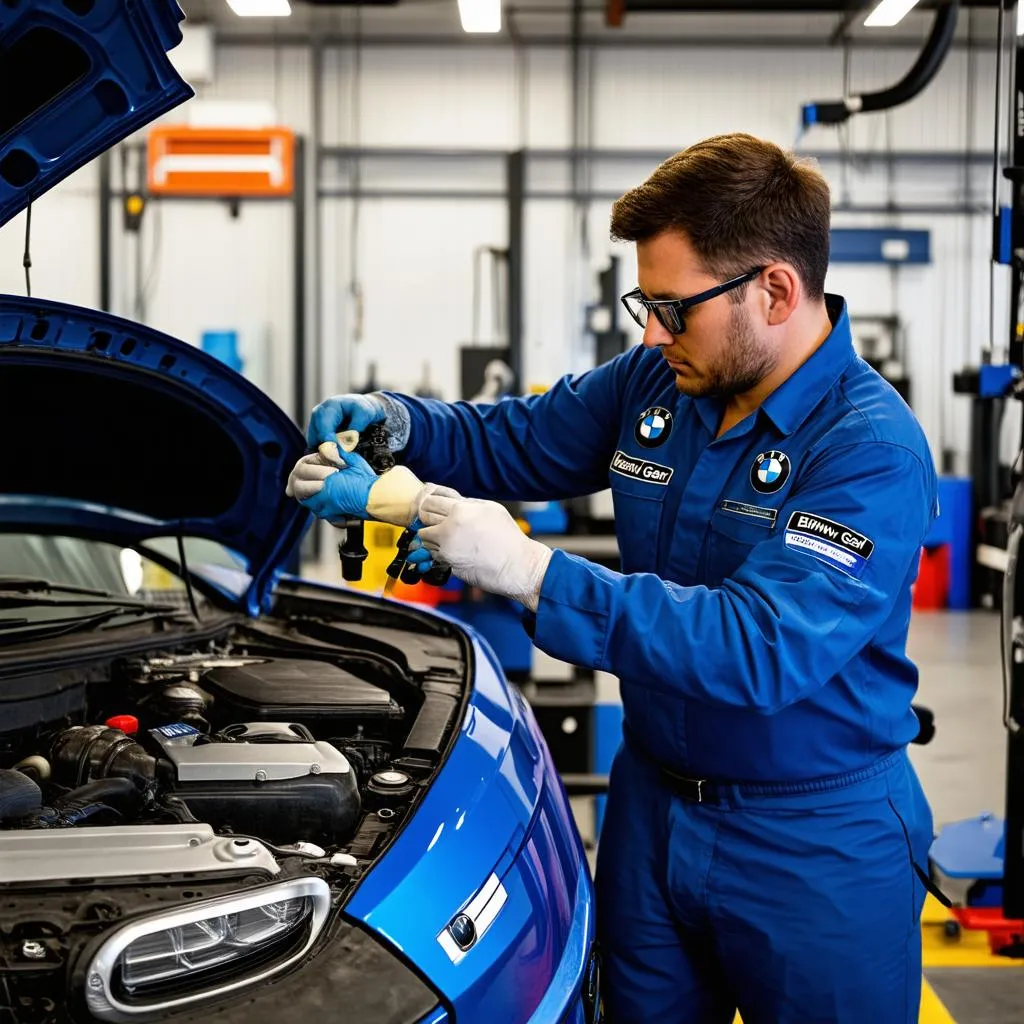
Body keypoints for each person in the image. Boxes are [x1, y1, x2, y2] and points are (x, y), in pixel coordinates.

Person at [288, 132, 939, 1024]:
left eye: (673, 308)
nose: (650, 331)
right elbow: (516, 438)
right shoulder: (656, 383)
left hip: (815, 842)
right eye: (646, 303)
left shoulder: (866, 449)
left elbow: (758, 647)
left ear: (776, 290)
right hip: (652, 812)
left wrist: (528, 571)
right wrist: (400, 424)